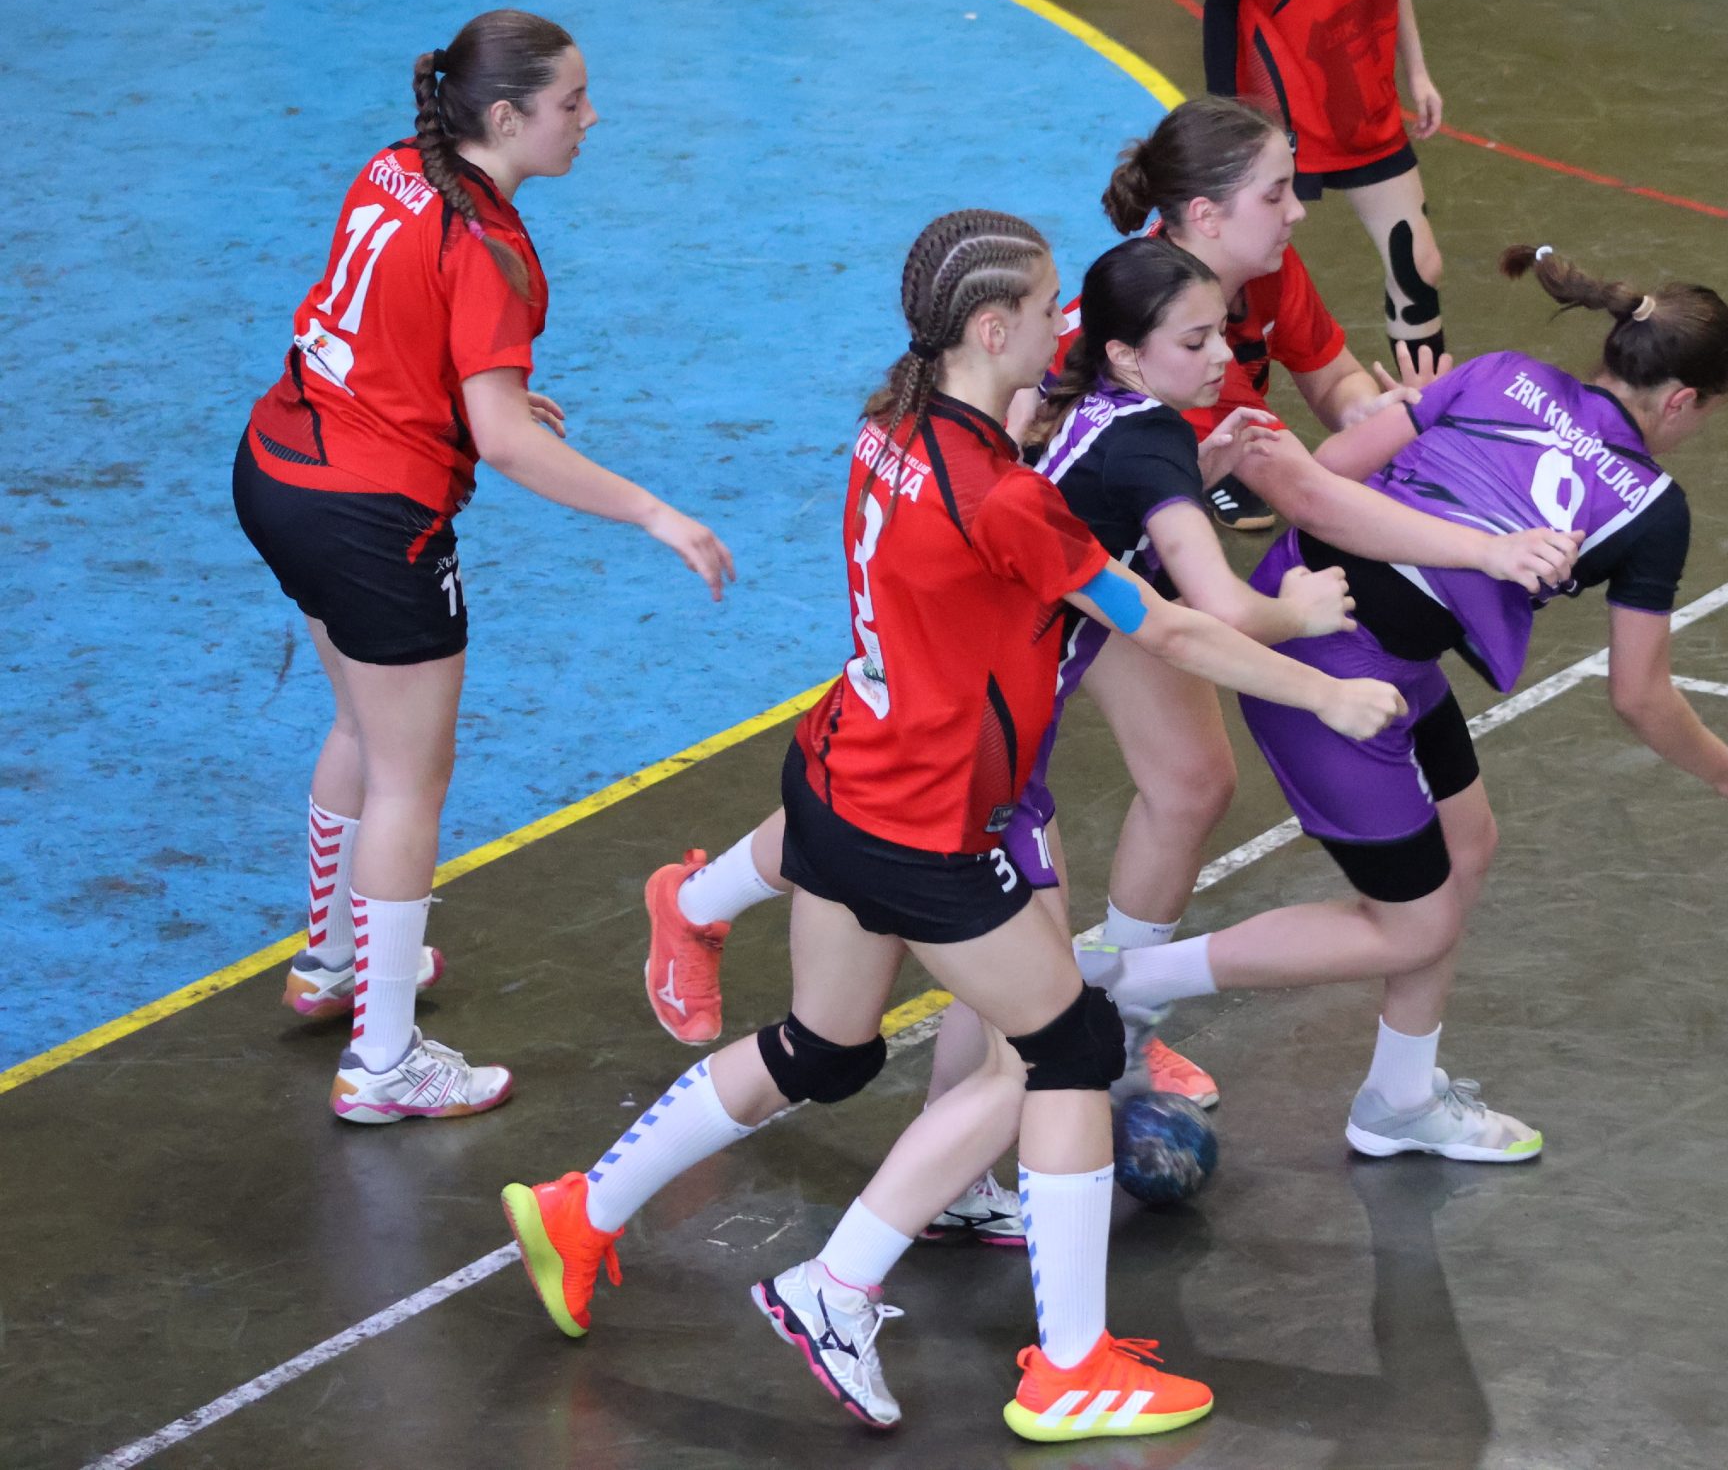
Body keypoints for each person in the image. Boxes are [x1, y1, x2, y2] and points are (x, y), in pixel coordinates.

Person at [502, 211, 1404, 1442]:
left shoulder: (893, 424)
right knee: (1070, 1047)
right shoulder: (1005, 499)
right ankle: (997, 1342)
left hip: (836, 779)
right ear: (989, 329)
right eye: (1042, 309)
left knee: (822, 1049)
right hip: (926, 825)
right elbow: (1170, 627)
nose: (1060, 327)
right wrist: (1322, 690)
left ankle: (580, 1211)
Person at [643, 237, 1575, 1183]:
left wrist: (1192, 470)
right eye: (1198, 340)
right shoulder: (1122, 443)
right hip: (976, 761)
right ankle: (872, 1238)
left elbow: (1105, 519)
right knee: (1041, 1031)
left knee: (890, 1006)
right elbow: (1195, 618)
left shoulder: (993, 414)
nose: (1221, 356)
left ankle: (717, 956)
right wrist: (1303, 638)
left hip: (921, 722)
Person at [1082, 244, 1728, 1162]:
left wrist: (1420, 435)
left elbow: (1329, 468)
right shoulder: (1652, 508)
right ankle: (1126, 979)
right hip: (1333, 664)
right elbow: (1639, 693)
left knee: (1467, 845)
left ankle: (1400, 1096)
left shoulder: (1501, 373)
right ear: (1682, 401)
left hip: (1347, 618)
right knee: (1415, 921)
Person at [235, 9, 732, 1123]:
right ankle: (384, 1062)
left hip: (278, 467)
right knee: (410, 780)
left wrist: (473, 395)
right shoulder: (493, 248)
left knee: (360, 728)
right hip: (371, 519)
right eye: (572, 102)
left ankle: (332, 961)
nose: (591, 118)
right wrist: (655, 513)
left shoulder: (396, 165)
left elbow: (388, 329)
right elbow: (505, 444)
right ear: (506, 118)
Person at [1051, 96, 1423, 533]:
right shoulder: (1175, 332)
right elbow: (1307, 497)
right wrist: (1484, 548)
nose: (1297, 210)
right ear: (1206, 216)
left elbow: (1334, 380)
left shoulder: (1261, 265)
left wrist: (1363, 412)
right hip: (1058, 526)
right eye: (1274, 196)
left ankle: (1213, 461)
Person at [1204, 0, 1448, 381]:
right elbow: (1221, 0)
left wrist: (1417, 71)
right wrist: (1223, 119)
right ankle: (1222, 415)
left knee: (1418, 265)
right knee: (1236, 280)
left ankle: (1423, 417)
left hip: (1362, 106)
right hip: (1278, 112)